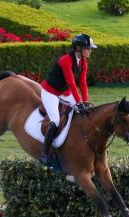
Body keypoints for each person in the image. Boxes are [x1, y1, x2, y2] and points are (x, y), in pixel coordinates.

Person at [39, 33, 97, 165]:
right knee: (55, 120)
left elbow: (82, 83)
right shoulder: (66, 60)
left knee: (82, 112)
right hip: (50, 92)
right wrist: (79, 102)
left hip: (64, 92)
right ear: (79, 48)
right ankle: (45, 153)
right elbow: (71, 83)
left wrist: (85, 102)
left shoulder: (83, 62)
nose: (90, 51)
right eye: (88, 48)